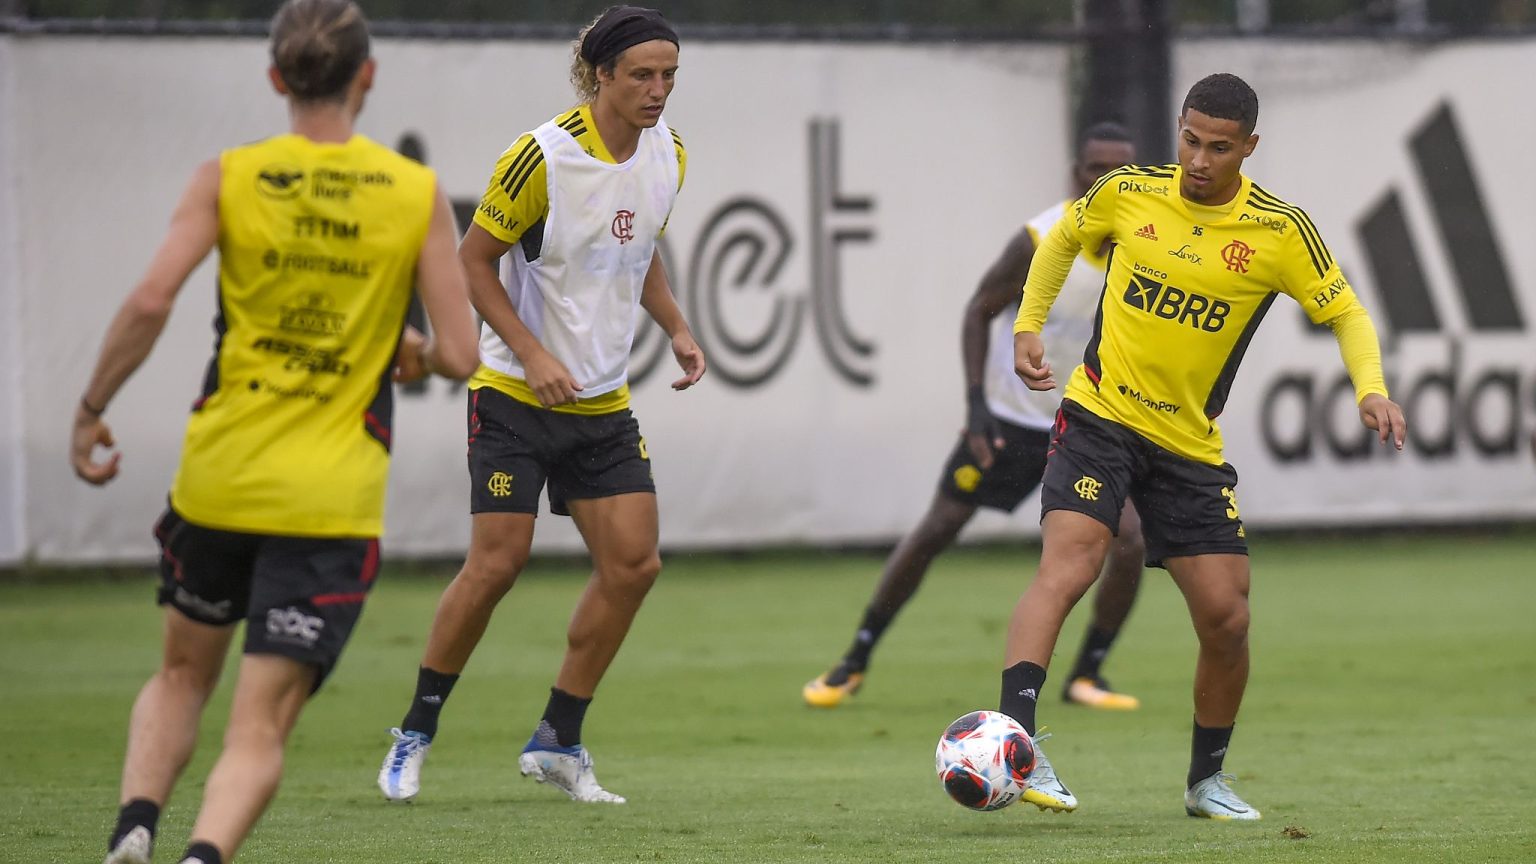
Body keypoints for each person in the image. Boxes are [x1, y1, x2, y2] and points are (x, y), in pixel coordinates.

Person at [76, 3, 480, 863]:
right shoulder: (412, 194)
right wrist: (402, 351)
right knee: (259, 726)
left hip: (218, 477)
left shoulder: (228, 176)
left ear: (276, 79)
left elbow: (151, 301)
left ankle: (135, 827)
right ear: (367, 76)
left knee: (182, 675)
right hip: (328, 502)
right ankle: (203, 856)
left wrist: (93, 405)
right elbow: (458, 352)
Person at [1000, 72, 1406, 821]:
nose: (1197, 159)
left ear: (1248, 147)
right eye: (1190, 139)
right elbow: (1063, 240)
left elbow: (1346, 311)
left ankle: (1205, 783)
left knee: (1228, 618)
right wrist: (1030, 325)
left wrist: (1370, 389)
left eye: (1218, 147)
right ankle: (1014, 746)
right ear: (1179, 128)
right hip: (1099, 415)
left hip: (1188, 445)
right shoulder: (1129, 190)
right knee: (1073, 561)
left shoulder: (1281, 232)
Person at [376, 5, 704, 806]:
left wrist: (678, 326)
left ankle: (559, 738)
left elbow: (640, 249)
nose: (658, 90)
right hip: (515, 394)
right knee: (497, 565)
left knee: (634, 567)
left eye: (668, 75)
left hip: (600, 402)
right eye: (641, 75)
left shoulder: (672, 154)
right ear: (600, 76)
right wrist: (531, 352)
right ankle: (413, 734)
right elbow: (473, 263)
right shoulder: (541, 158)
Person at [803, 123, 1147, 722]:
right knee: (937, 528)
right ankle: (854, 659)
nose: (1107, 180)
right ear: (1076, 173)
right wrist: (977, 407)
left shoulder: (1144, 246)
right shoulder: (1040, 238)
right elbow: (978, 310)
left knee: (1133, 539)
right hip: (1012, 421)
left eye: (1121, 170)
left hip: (1087, 428)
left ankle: (1088, 671)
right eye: (1096, 168)